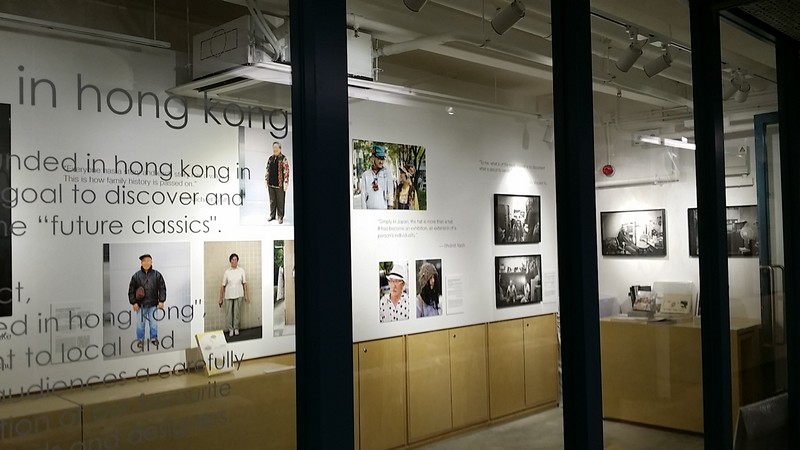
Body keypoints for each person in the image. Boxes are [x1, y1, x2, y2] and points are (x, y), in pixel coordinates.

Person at [127, 254, 167, 349]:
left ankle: (153, 338)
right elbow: (131, 290)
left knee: (154, 323)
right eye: (144, 261)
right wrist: (134, 302)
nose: (146, 263)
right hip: (140, 305)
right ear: (141, 263)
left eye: (148, 261)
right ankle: (140, 339)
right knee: (140, 324)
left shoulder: (157, 275)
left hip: (153, 304)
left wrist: (161, 301)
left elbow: (162, 288)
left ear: (151, 262)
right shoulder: (136, 276)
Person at [219, 253, 249, 337]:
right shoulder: (227, 272)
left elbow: (245, 284)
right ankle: (230, 329)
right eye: (233, 260)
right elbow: (222, 286)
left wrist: (246, 295)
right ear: (230, 261)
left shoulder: (241, 270)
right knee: (229, 313)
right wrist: (221, 298)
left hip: (239, 294)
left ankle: (236, 328)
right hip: (228, 295)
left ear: (237, 261)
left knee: (237, 312)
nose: (234, 261)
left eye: (235, 260)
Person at [360, 144, 394, 209]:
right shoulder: (365, 175)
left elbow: (390, 194)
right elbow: (363, 197)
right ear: (373, 157)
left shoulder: (387, 174)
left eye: (382, 159)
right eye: (379, 158)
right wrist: (364, 213)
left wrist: (390, 210)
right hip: (370, 212)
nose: (381, 161)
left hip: (383, 212)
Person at [265, 141, 290, 224]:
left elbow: (286, 171)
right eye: (273, 148)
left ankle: (280, 216)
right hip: (270, 183)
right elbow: (267, 169)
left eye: (276, 148)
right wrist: (266, 180)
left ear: (280, 149)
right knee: (272, 201)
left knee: (280, 201)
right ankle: (272, 215)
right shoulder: (270, 158)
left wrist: (286, 182)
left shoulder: (283, 158)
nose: (274, 149)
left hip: (280, 184)